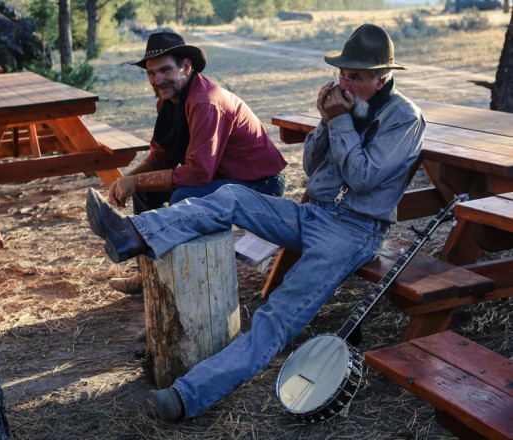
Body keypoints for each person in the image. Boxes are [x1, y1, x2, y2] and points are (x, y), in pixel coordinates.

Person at [85, 23, 425, 421]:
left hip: (353, 232)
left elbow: (363, 178)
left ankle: (186, 395)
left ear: (382, 78)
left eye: (356, 77)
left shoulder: (404, 117)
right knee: (229, 196)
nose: (345, 83)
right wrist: (325, 120)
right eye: (342, 74)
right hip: (313, 213)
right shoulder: (344, 106)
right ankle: (134, 234)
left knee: (275, 318)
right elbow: (314, 168)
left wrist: (339, 123)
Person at [106, 31, 288, 295]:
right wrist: (127, 181)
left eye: (166, 70)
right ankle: (147, 274)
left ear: (186, 67)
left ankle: (190, 284)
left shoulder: (205, 102)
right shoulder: (168, 100)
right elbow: (162, 156)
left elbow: (199, 174)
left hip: (261, 184)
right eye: (151, 73)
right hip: (222, 178)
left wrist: (135, 181)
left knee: (186, 197)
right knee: (147, 191)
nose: (158, 80)